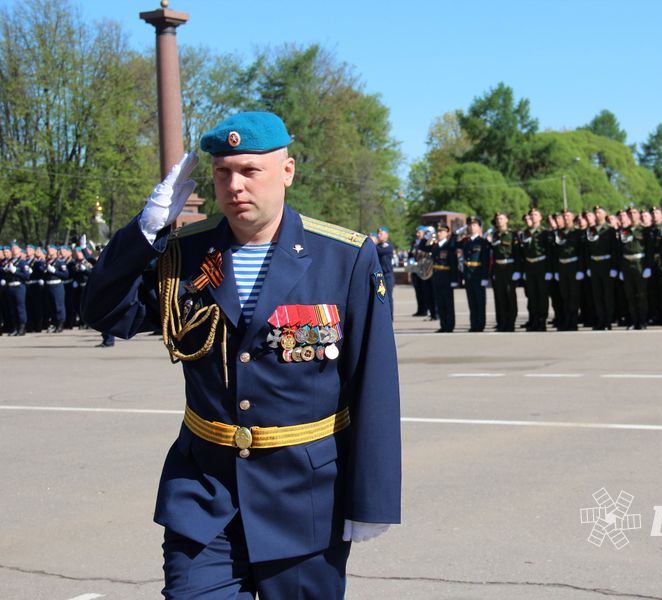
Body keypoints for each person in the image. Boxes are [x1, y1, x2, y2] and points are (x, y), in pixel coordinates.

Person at [81, 111, 401, 599]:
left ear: (286, 171)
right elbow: (107, 314)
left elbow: (373, 383)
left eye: (250, 170)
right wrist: (142, 236)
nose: (235, 185)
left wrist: (371, 498)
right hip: (206, 494)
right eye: (222, 172)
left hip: (304, 498)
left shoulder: (343, 256)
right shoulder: (184, 253)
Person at [461, 215, 491, 332]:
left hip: (479, 274)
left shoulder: (483, 242)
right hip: (468, 275)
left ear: (479, 227)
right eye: (469, 225)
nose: (472, 227)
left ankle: (480, 324)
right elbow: (452, 243)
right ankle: (473, 324)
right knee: (471, 301)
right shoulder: (466, 242)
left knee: (480, 301)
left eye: (474, 225)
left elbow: (486, 260)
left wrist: (485, 276)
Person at [490, 212, 519, 332]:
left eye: (501, 219)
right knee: (500, 296)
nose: (499, 221)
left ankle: (511, 323)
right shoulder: (495, 235)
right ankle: (503, 322)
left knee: (510, 296)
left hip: (509, 267)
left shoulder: (512, 235)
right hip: (498, 268)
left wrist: (517, 270)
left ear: (506, 220)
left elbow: (517, 254)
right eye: (497, 219)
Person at [430, 222, 458, 332]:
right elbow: (423, 247)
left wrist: (454, 279)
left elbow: (454, 264)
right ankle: (443, 324)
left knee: (448, 303)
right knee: (440, 302)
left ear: (447, 233)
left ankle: (450, 325)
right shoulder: (435, 246)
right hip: (437, 276)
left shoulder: (450, 246)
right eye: (438, 231)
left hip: (447, 277)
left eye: (442, 231)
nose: (439, 233)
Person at [375, 226, 395, 317]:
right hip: (379, 275)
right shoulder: (377, 246)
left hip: (387, 275)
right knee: (379, 296)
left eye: (381, 234)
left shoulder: (388, 245)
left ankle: (390, 316)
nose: (379, 235)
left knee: (388, 296)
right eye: (378, 233)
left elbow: (381, 251)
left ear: (387, 235)